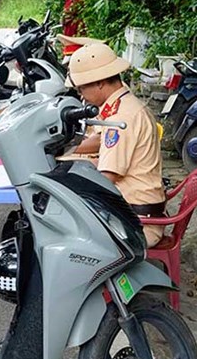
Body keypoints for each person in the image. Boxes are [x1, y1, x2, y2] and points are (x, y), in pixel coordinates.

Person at [67, 43, 165, 247]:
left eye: (82, 88)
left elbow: (107, 177)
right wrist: (67, 153)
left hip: (136, 224)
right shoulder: (122, 104)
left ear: (100, 82)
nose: (81, 95)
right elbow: (101, 144)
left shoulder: (121, 119)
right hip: (133, 209)